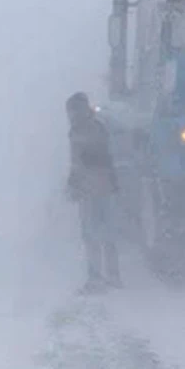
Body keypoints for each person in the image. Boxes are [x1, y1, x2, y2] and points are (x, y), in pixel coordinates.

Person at [65, 92, 122, 292]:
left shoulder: (92, 129)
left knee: (96, 233)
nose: (71, 115)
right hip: (95, 187)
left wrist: (75, 180)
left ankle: (103, 276)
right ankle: (107, 276)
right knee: (98, 234)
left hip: (96, 188)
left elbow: (94, 158)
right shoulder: (82, 129)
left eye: (73, 111)